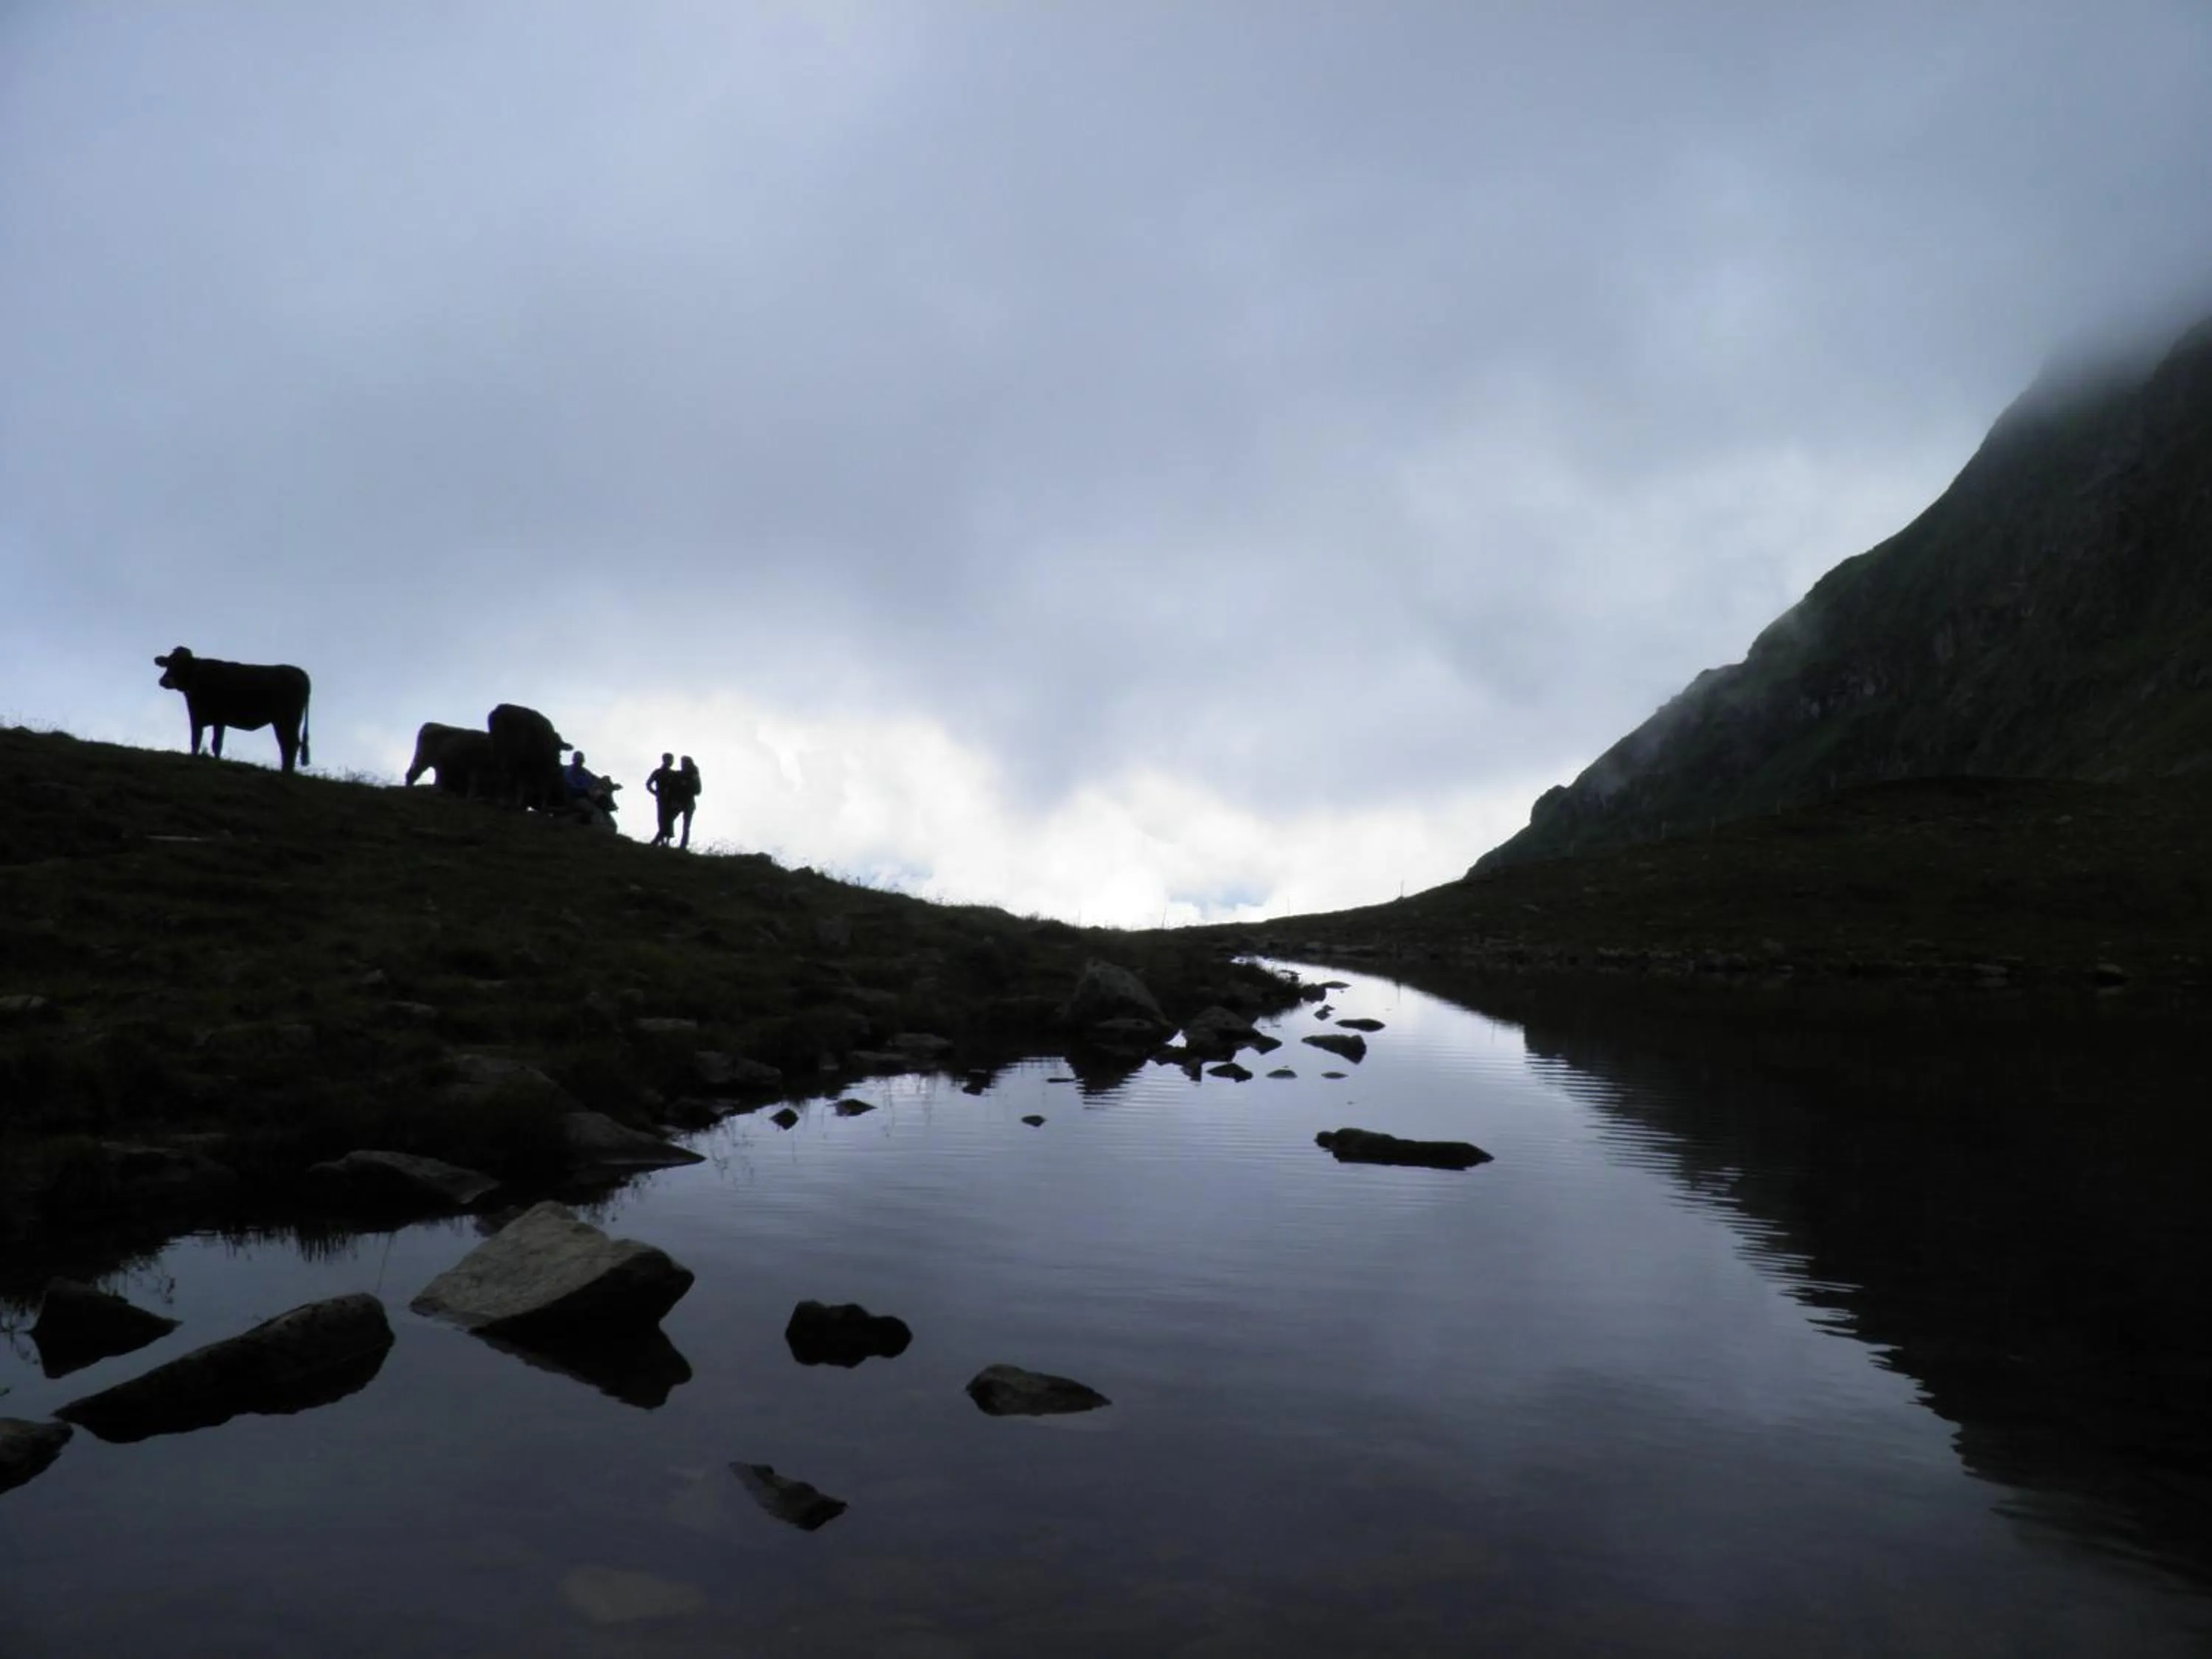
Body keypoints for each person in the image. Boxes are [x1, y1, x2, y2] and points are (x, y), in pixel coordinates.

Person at [646, 752, 682, 846]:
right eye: (669, 759)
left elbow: (678, 788)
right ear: (664, 760)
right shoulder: (658, 772)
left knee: (668, 821)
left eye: (671, 760)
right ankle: (662, 842)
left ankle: (664, 842)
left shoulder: (674, 774)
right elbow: (648, 784)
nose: (671, 762)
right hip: (662, 800)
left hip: (671, 801)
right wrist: (656, 793)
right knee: (662, 820)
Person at [675, 755, 702, 849]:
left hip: (688, 803)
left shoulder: (693, 774)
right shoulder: (679, 774)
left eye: (684, 763)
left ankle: (683, 846)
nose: (682, 765)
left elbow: (698, 791)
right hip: (679, 802)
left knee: (686, 826)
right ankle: (667, 840)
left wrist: (686, 785)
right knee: (669, 820)